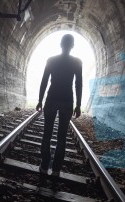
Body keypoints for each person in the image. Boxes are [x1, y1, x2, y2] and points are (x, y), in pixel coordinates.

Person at [36, 34, 82, 176]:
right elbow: (78, 84)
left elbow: (44, 81)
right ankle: (56, 170)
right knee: (61, 136)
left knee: (47, 134)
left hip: (51, 99)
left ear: (61, 44)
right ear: (72, 46)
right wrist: (78, 105)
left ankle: (44, 166)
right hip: (67, 101)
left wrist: (40, 100)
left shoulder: (51, 60)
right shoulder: (77, 62)